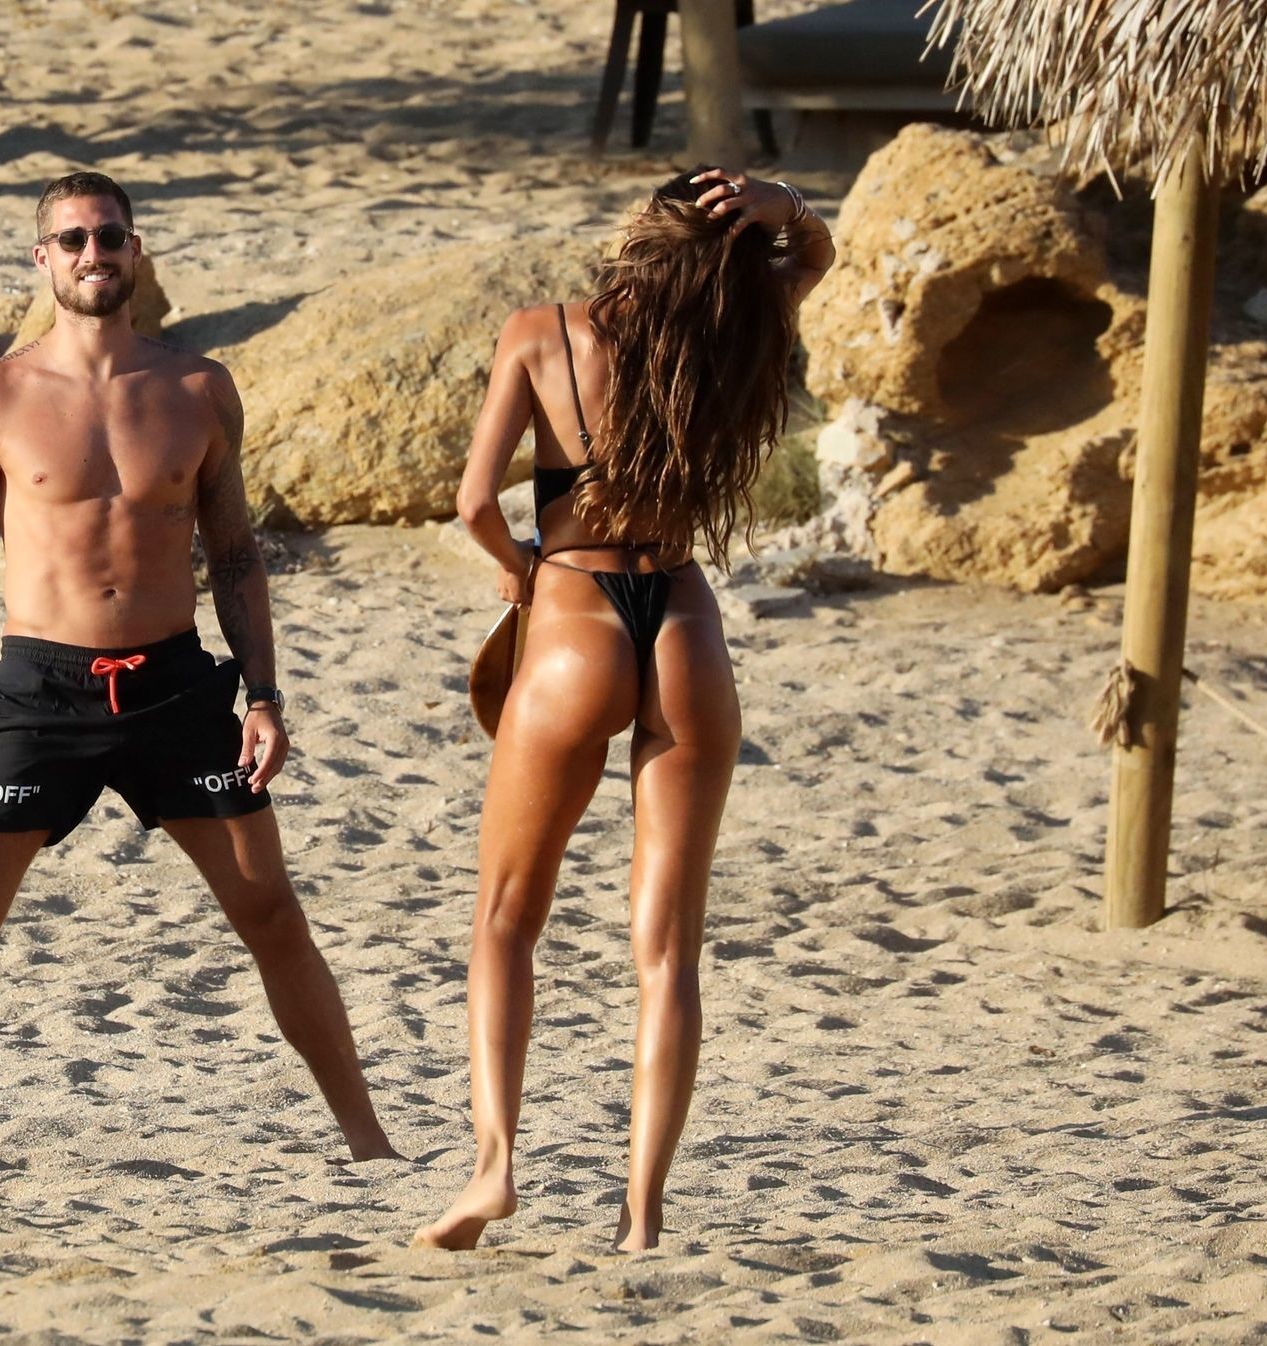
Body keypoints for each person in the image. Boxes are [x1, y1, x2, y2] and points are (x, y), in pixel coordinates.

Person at [0, 171, 398, 1195]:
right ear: (42, 258)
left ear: (138, 252)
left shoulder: (198, 389)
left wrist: (264, 695)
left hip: (176, 690)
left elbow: (236, 552)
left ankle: (372, 1145)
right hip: (40, 694)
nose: (96, 253)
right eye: (75, 239)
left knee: (273, 918)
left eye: (112, 236)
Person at [415, 168, 834, 1251]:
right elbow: (814, 254)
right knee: (668, 950)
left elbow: (474, 503)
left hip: (575, 612)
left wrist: (520, 569)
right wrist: (782, 203)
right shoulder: (736, 333)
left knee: (507, 917)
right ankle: (642, 1217)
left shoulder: (542, 332)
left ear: (639, 231)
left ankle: (494, 1167)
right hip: (683, 619)